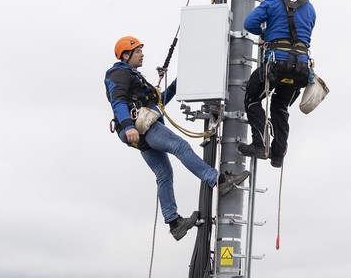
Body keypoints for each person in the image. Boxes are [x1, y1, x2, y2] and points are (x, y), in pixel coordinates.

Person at [104, 36, 250, 241]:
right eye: (138, 51)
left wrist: (176, 84)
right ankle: (218, 180)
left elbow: (159, 100)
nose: (142, 54)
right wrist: (128, 126)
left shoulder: (134, 78)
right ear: (126, 55)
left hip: (140, 131)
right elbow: (117, 101)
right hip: (140, 128)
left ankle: (174, 224)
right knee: (180, 147)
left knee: (164, 173)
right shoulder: (118, 73)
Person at [237, 0, 316, 168]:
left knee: (253, 99)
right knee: (280, 107)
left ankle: (260, 146)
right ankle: (278, 155)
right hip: (300, 69)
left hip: (276, 64)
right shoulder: (310, 7)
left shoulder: (273, 0)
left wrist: (266, 33)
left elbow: (249, 24)